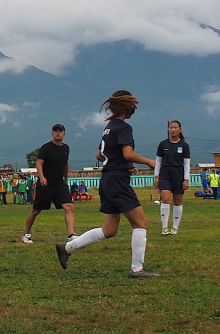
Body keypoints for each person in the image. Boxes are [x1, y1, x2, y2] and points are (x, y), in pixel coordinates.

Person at [56, 90, 159, 278]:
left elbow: (99, 155)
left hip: (107, 179)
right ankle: (137, 269)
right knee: (141, 224)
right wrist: (149, 162)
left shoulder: (108, 128)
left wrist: (122, 164)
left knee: (109, 230)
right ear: (128, 107)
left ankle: (68, 247)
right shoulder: (124, 128)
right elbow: (128, 153)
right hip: (118, 181)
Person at [23, 124, 77, 244]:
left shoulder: (66, 148)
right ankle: (26, 234)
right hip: (46, 184)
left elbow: (65, 164)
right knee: (36, 210)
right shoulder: (46, 148)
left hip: (59, 183)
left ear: (64, 134)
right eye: (55, 131)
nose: (58, 133)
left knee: (69, 206)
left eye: (60, 131)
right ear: (52, 133)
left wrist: (66, 180)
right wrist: (42, 177)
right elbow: (39, 163)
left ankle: (71, 234)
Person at [154, 120, 190, 236]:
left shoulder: (184, 145)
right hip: (165, 173)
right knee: (165, 198)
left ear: (180, 130)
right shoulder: (163, 144)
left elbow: (186, 163)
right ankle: (164, 227)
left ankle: (175, 227)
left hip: (178, 174)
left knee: (178, 201)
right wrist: (156, 176)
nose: (173, 130)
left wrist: (186, 179)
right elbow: (158, 161)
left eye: (175, 128)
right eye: (171, 127)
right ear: (168, 129)